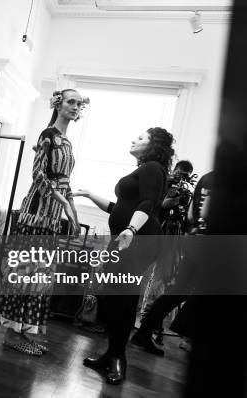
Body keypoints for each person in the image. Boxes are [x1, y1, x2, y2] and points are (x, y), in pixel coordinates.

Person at [74, 127, 174, 384]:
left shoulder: (152, 167)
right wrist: (88, 194)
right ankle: (111, 354)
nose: (134, 139)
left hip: (139, 241)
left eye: (141, 138)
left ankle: (118, 360)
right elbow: (117, 208)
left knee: (122, 299)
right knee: (110, 297)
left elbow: (148, 203)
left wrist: (130, 229)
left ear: (154, 146)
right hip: (127, 241)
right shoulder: (144, 171)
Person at [0, 89, 88, 356]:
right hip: (35, 213)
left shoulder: (67, 142)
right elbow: (37, 175)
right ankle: (11, 334)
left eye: (79, 104)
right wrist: (62, 202)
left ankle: (24, 330)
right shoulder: (47, 135)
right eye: (71, 101)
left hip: (52, 218)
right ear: (58, 104)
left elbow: (65, 182)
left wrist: (73, 213)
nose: (76, 106)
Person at [130, 171, 215, 356]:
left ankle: (145, 332)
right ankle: (187, 336)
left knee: (178, 292)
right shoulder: (230, 181)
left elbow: (192, 214)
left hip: (196, 241)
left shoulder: (207, 178)